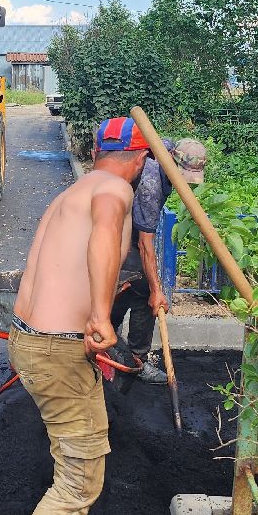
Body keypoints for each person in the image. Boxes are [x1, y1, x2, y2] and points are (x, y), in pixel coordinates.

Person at [0, 116, 148, 515]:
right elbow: (104, 238)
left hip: (35, 339)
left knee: (80, 443)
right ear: (140, 159)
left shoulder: (78, 187)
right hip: (57, 346)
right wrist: (102, 315)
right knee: (78, 475)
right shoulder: (115, 190)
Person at [107, 137, 209, 383]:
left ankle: (115, 345)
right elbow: (144, 243)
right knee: (143, 287)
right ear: (172, 163)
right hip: (116, 234)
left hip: (121, 228)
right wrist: (157, 290)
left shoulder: (163, 148)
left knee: (132, 286)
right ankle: (133, 358)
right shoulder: (150, 184)